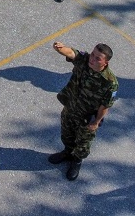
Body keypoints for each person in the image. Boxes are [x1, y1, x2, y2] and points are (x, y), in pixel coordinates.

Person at [48, 41, 118, 181]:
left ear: (105, 63)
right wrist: (60, 48)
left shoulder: (110, 82)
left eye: (97, 58)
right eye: (92, 54)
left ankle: (76, 161)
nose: (92, 59)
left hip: (87, 118)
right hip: (71, 107)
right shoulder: (84, 60)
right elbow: (72, 53)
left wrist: (96, 122)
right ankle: (67, 152)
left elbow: (105, 105)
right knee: (66, 134)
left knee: (82, 143)